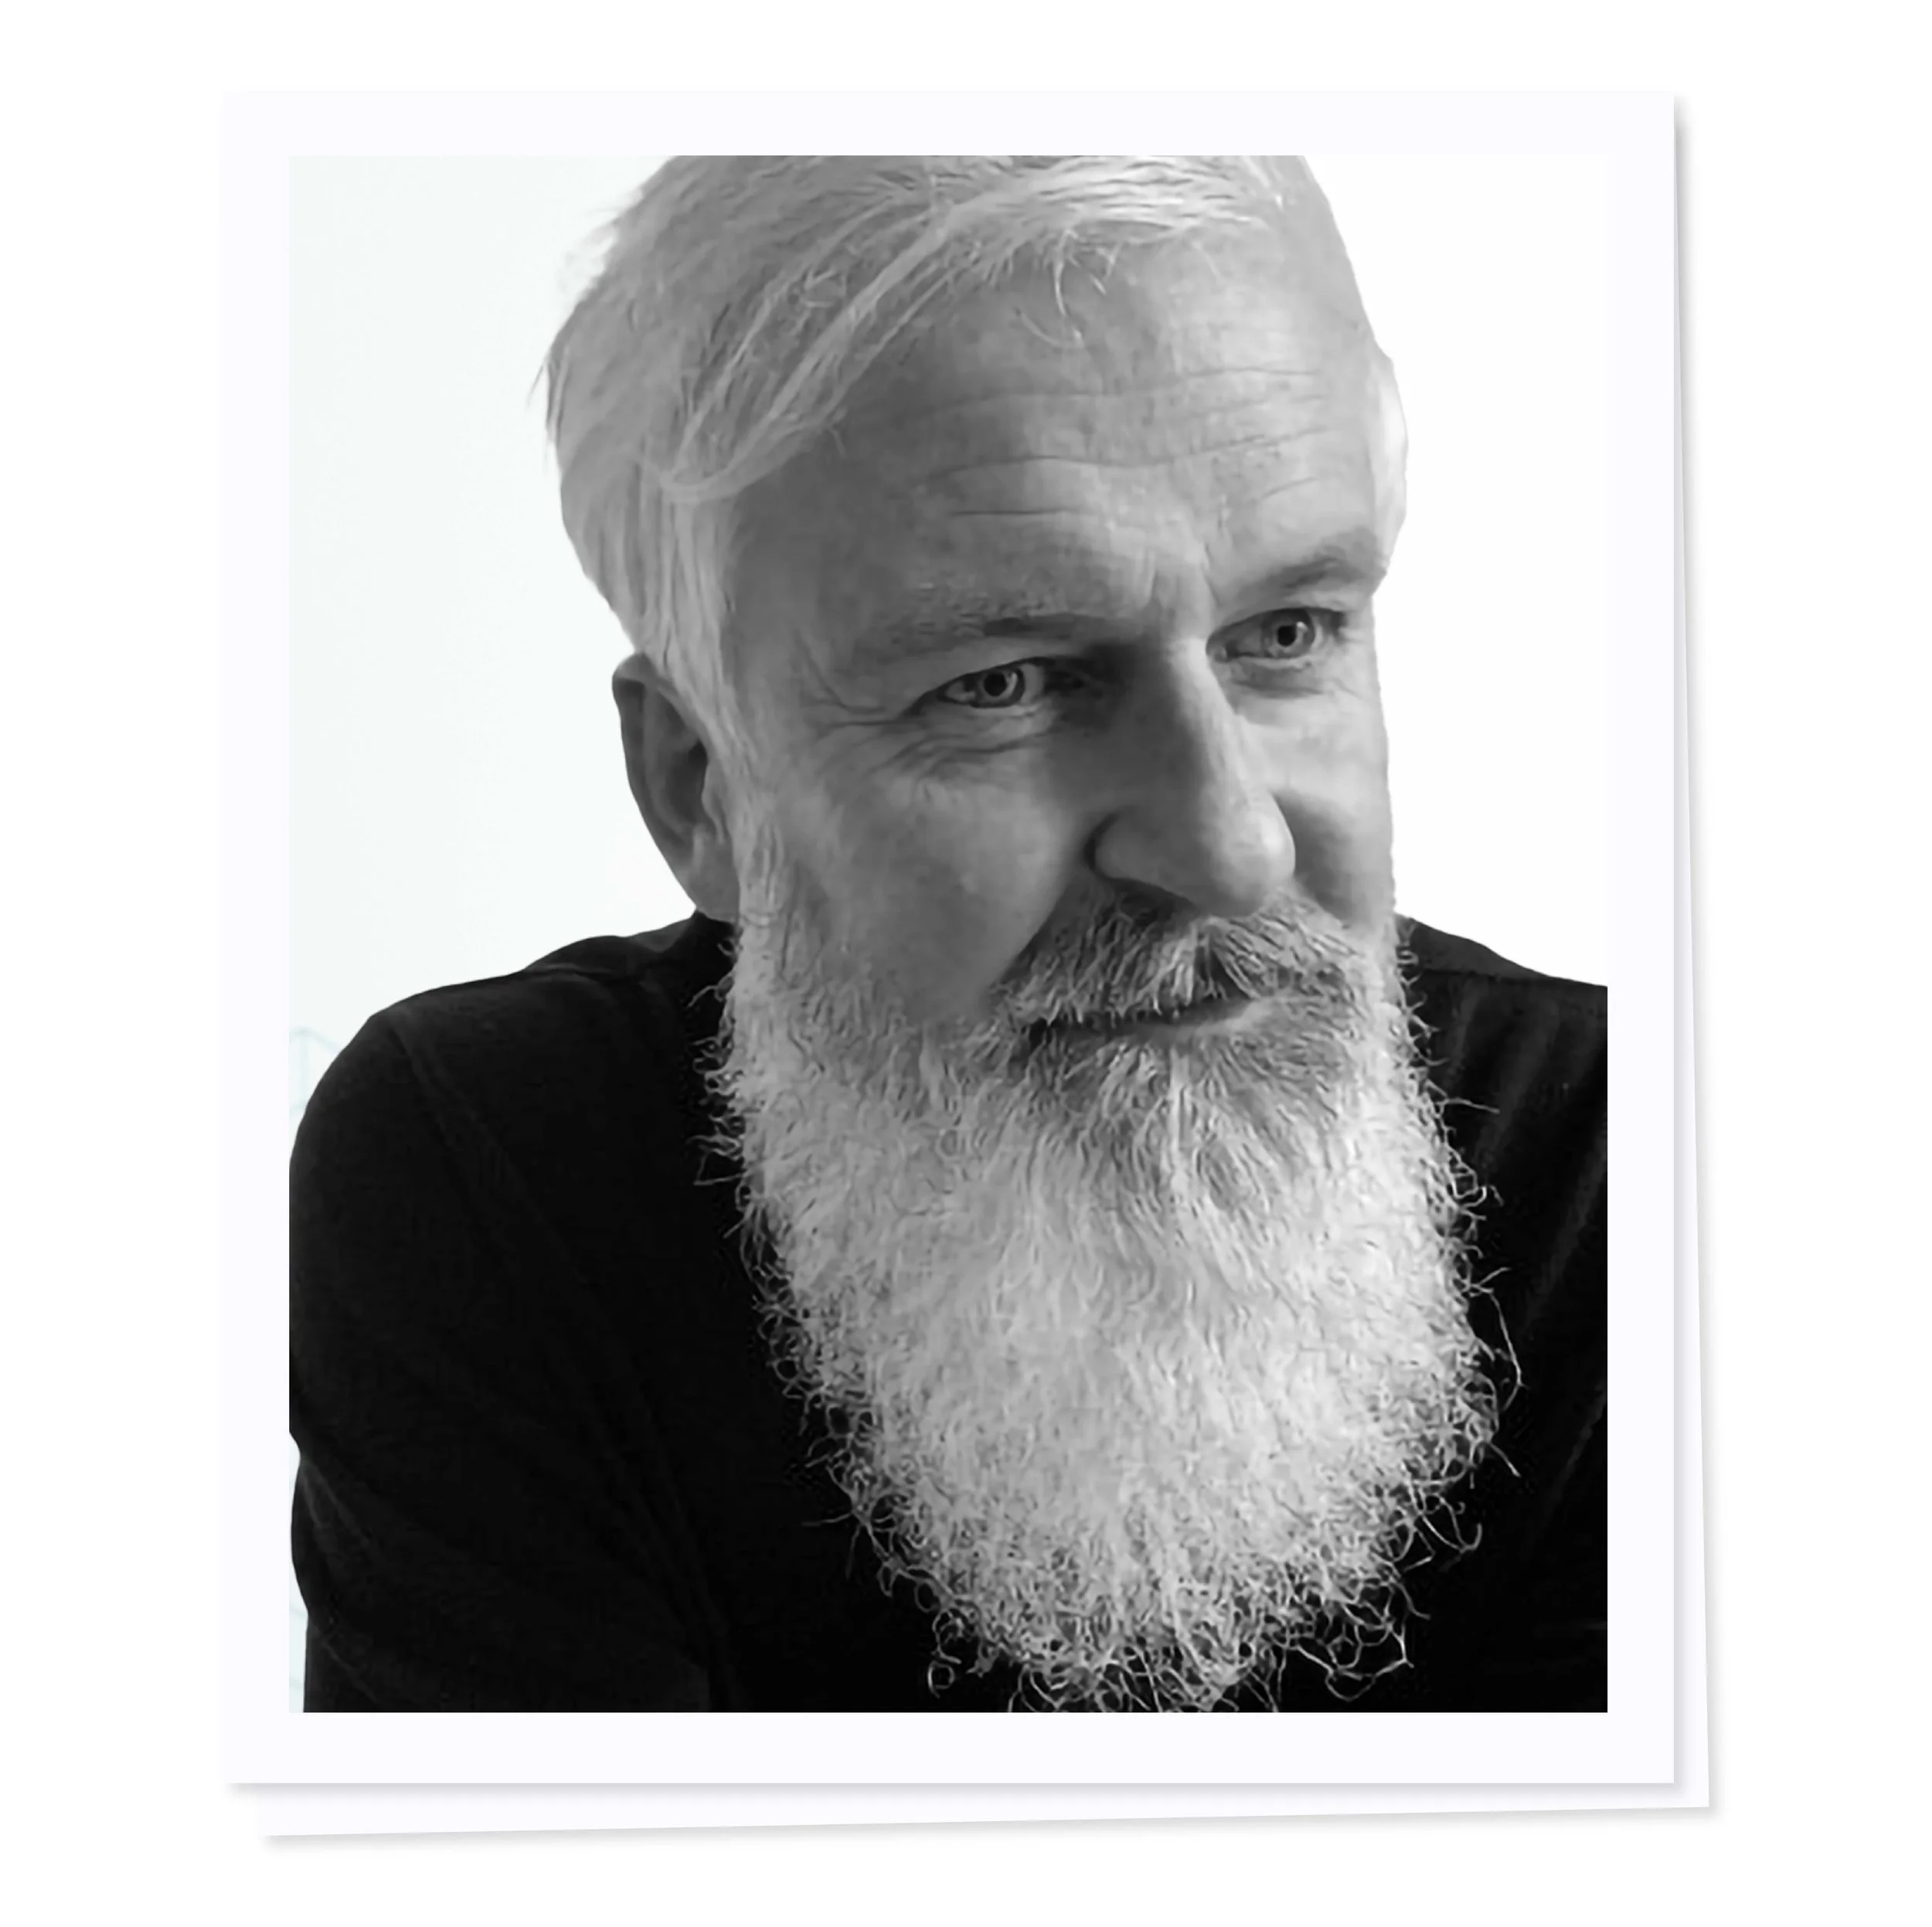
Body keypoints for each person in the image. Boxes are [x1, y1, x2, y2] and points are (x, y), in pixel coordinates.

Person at [291, 156, 1606, 1714]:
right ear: (702, 786)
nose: (1233, 848)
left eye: (1285, 634)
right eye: (1002, 683)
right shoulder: (491, 1177)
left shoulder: (1625, 1163)